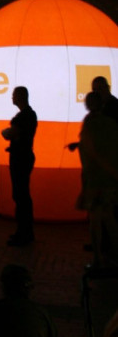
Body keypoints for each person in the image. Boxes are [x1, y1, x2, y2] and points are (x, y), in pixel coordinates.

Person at [71, 90, 118, 265]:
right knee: (109, 217)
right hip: (110, 178)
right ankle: (114, 253)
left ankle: (98, 256)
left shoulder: (90, 123)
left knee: (96, 218)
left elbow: (90, 148)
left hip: (95, 178)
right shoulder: (111, 124)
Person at [2, 85, 37, 246]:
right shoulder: (30, 115)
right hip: (25, 156)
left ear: (20, 97)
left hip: (20, 158)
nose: (12, 97)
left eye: (14, 95)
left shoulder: (22, 117)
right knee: (23, 195)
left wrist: (6, 132)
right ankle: (25, 232)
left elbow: (10, 133)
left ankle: (23, 233)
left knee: (20, 195)